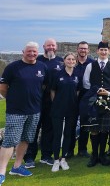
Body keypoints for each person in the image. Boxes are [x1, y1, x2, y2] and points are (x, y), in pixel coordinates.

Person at [0, 42, 47, 184]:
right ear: (23, 52)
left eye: (34, 52)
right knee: (9, 141)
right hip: (16, 111)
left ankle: (17, 166)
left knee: (26, 139)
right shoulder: (12, 67)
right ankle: (1, 172)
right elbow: (2, 88)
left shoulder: (42, 67)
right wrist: (14, 99)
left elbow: (42, 86)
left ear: (37, 52)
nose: (32, 54)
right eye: (29, 51)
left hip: (34, 110)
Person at [25, 38, 63, 167]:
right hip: (36, 102)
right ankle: (29, 157)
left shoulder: (60, 62)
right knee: (33, 129)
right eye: (48, 45)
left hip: (53, 102)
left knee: (49, 130)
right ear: (44, 47)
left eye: (53, 45)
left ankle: (46, 156)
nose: (51, 47)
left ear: (56, 47)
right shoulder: (38, 61)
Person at [82, 41, 110, 167]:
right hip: (93, 99)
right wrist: (97, 90)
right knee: (94, 128)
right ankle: (94, 155)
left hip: (108, 100)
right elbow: (85, 82)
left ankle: (102, 155)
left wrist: (108, 93)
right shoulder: (90, 66)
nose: (103, 52)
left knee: (104, 129)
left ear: (109, 52)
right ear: (97, 51)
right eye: (101, 50)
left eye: (106, 50)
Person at [50, 52, 79, 172]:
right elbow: (52, 91)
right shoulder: (58, 74)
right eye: (69, 59)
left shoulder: (77, 75)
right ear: (64, 60)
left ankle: (64, 158)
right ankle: (56, 160)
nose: (71, 61)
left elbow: (77, 91)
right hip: (58, 109)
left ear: (75, 62)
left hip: (71, 109)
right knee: (57, 134)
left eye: (73, 59)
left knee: (68, 134)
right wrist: (56, 103)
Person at [69, 41, 93, 158]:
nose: (83, 51)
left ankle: (82, 149)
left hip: (87, 98)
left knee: (85, 125)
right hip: (73, 98)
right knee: (71, 124)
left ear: (88, 50)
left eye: (85, 49)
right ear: (77, 49)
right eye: (81, 48)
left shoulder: (92, 63)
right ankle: (69, 150)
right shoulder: (72, 62)